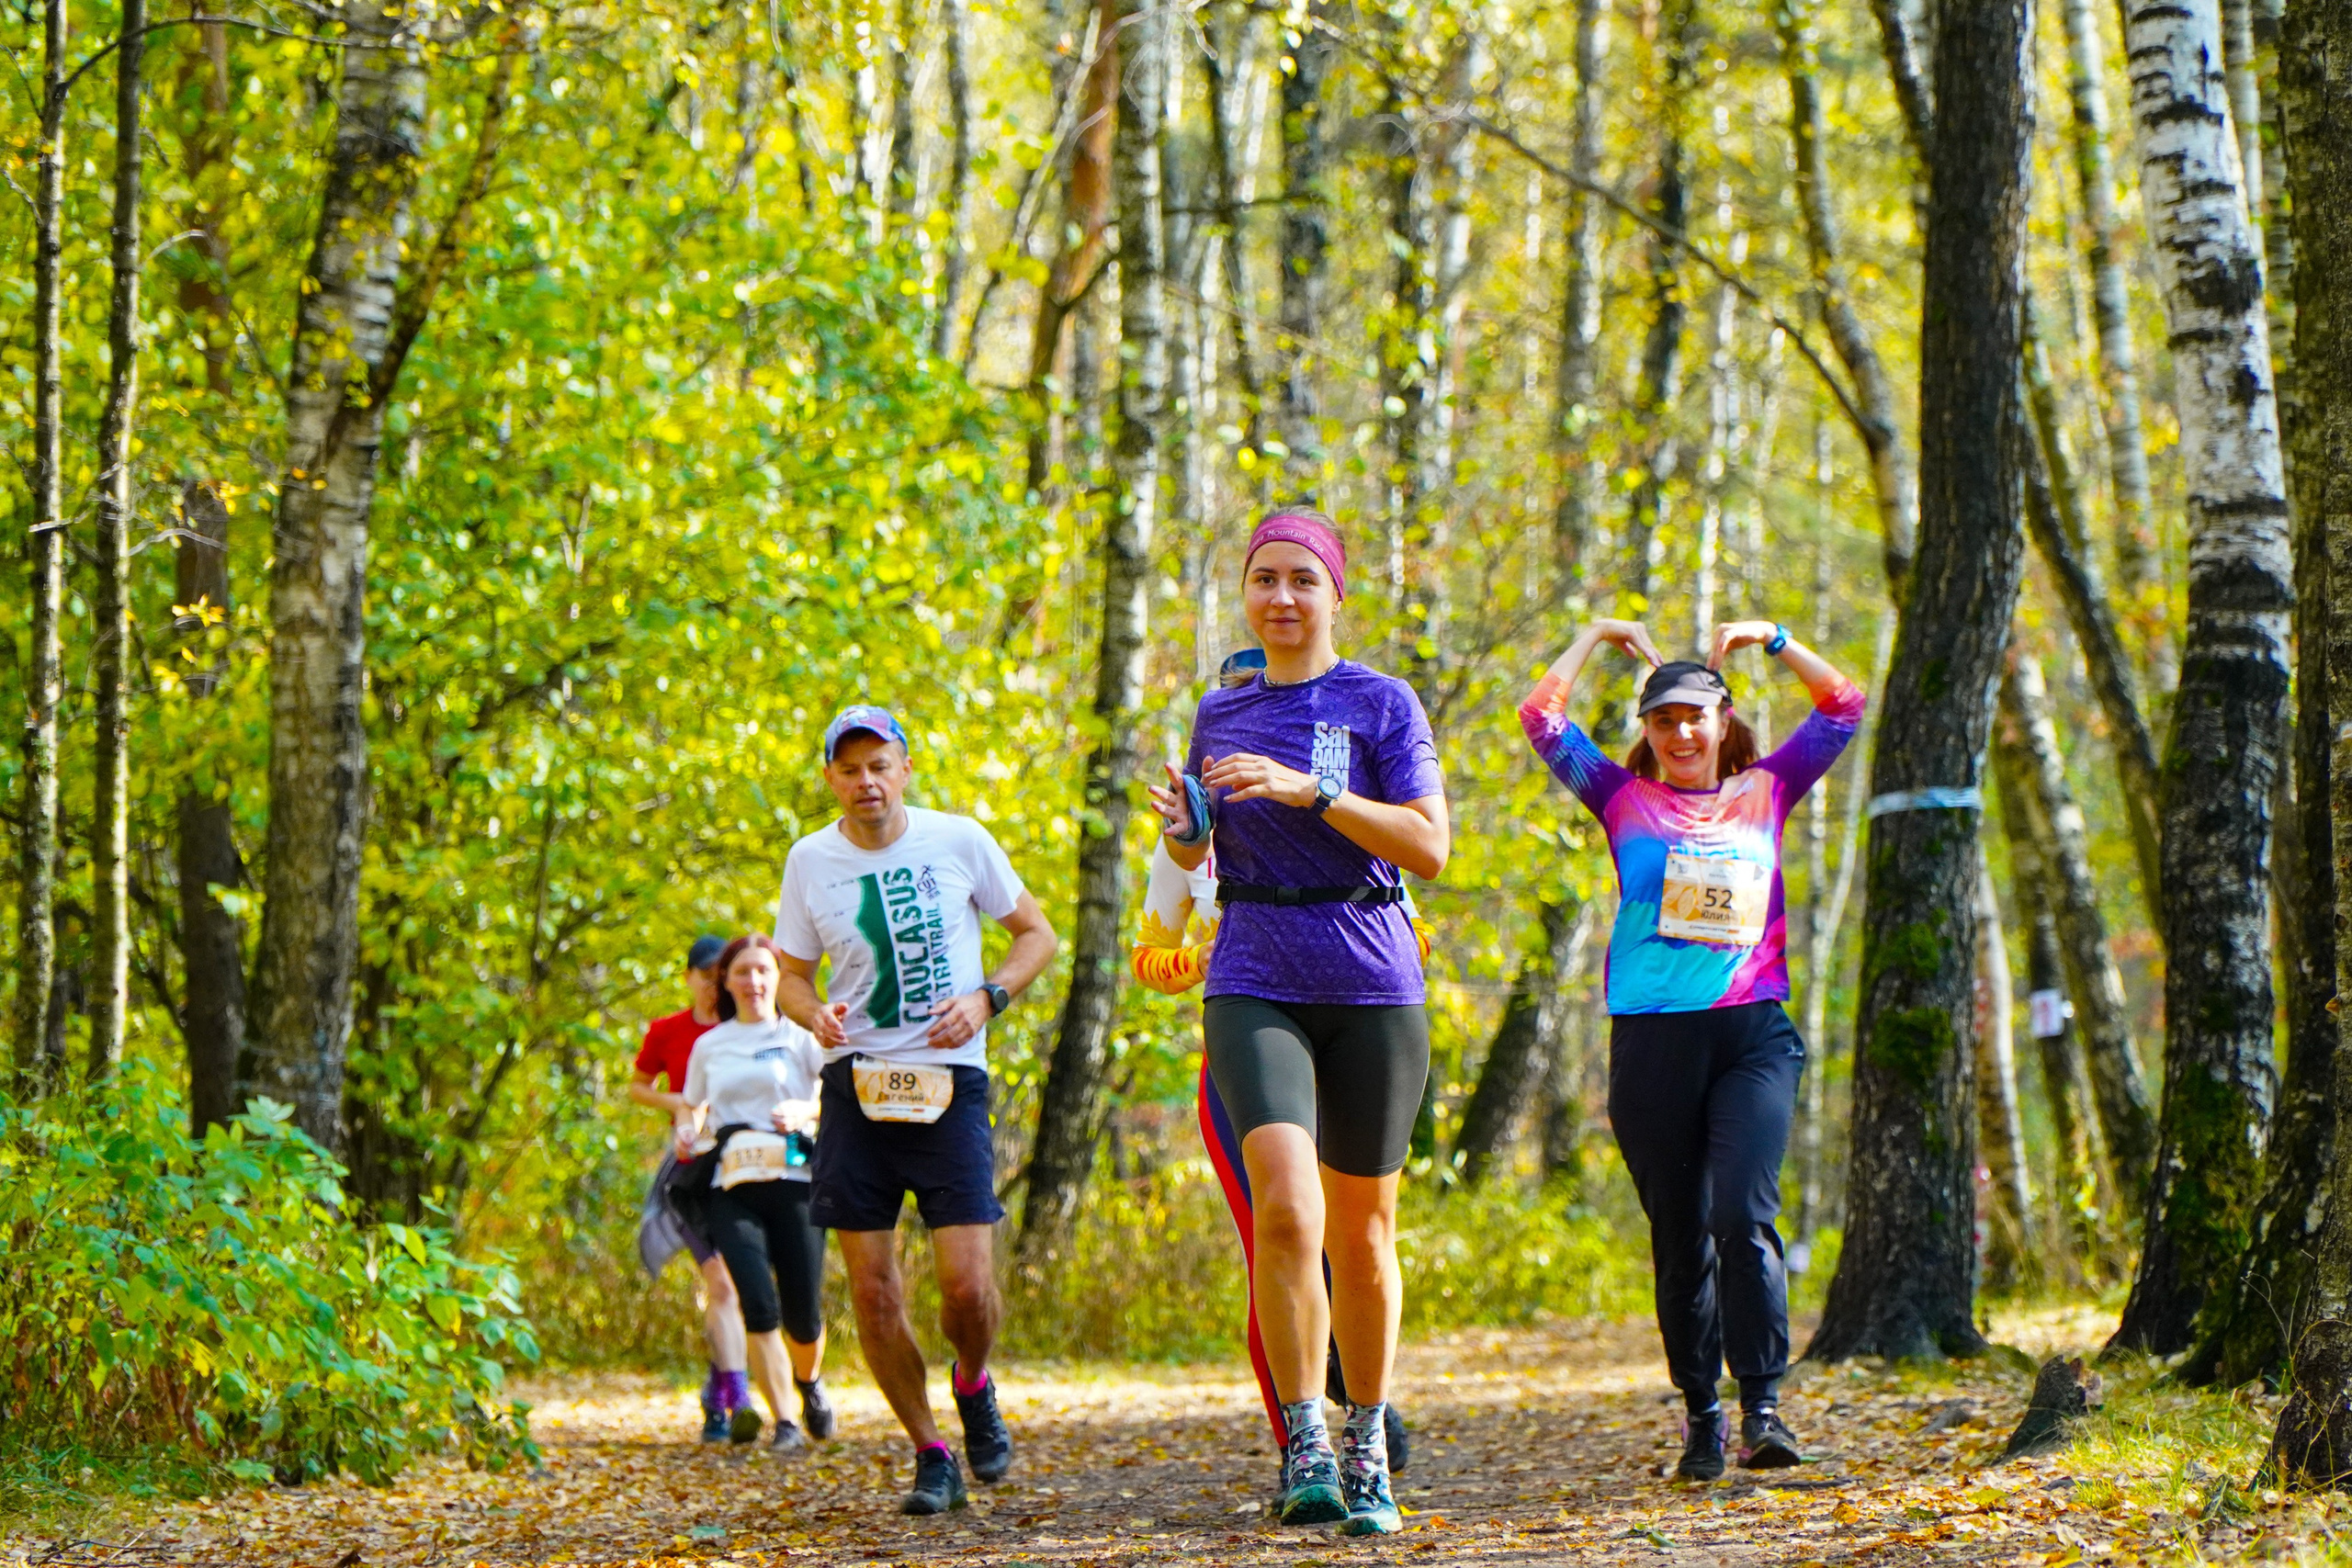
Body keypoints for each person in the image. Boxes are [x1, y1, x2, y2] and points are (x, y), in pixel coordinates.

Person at [1146, 511, 1448, 1537]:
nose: (1281, 597)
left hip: (1371, 979)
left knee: (1363, 1232)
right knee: (1285, 1211)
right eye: (1264, 578)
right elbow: (1197, 859)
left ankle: (1368, 1440)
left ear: (1334, 594)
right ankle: (1304, 1439)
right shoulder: (1218, 711)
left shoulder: (1381, 702)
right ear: (1244, 593)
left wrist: (1312, 791)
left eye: (1301, 579)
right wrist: (1187, 835)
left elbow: (1429, 846)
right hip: (1253, 973)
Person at [1518, 616, 1865, 1481]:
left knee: (1742, 1214)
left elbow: (1844, 704)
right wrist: (1594, 634)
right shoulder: (1620, 799)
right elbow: (1540, 718)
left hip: (1751, 1032)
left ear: (1722, 720)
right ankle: (1702, 1416)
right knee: (1681, 1236)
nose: (1679, 734)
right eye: (1663, 720)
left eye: (1693, 717)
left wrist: (1773, 638)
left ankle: (1764, 1407)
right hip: (1652, 1040)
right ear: (1646, 730)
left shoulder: (1767, 790)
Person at [1130, 649, 1419, 1478]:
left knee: (1349, 1237)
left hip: (1352, 1021)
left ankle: (1359, 1404)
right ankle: (1300, 1442)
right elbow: (1149, 956)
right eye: (1239, 696)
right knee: (1283, 1230)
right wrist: (1200, 960)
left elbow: (1411, 923)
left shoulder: (1345, 833)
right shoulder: (1190, 843)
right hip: (1251, 1042)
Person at [773, 704, 1059, 1516]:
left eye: (879, 765)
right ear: (830, 778)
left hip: (949, 1080)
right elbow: (790, 974)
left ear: (904, 769)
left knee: (966, 1287)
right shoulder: (809, 860)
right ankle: (931, 1451)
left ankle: (972, 1379)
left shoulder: (958, 839)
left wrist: (988, 997)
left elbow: (1037, 934)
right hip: (855, 1085)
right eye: (849, 769)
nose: (866, 781)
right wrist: (811, 1013)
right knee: (872, 1292)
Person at [673, 932, 836, 1455]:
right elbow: (692, 1104)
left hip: (795, 1183)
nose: (754, 981)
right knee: (758, 1306)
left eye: (764, 970)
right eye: (742, 971)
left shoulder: (799, 1035)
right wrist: (686, 1130)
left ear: (779, 978)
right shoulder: (711, 1044)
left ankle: (809, 1383)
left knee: (802, 1316)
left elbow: (834, 1092)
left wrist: (804, 1110)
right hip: (732, 1187)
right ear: (726, 981)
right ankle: (785, 1421)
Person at [629, 934, 753, 1443]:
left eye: (719, 975)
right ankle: (736, 1400)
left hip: (745, 1167)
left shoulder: (745, 1028)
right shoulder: (668, 1031)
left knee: (740, 1289)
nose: (711, 984)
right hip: (689, 1172)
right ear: (688, 977)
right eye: (704, 975)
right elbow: (638, 1086)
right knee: (720, 1284)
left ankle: (716, 1392)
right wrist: (681, 1102)